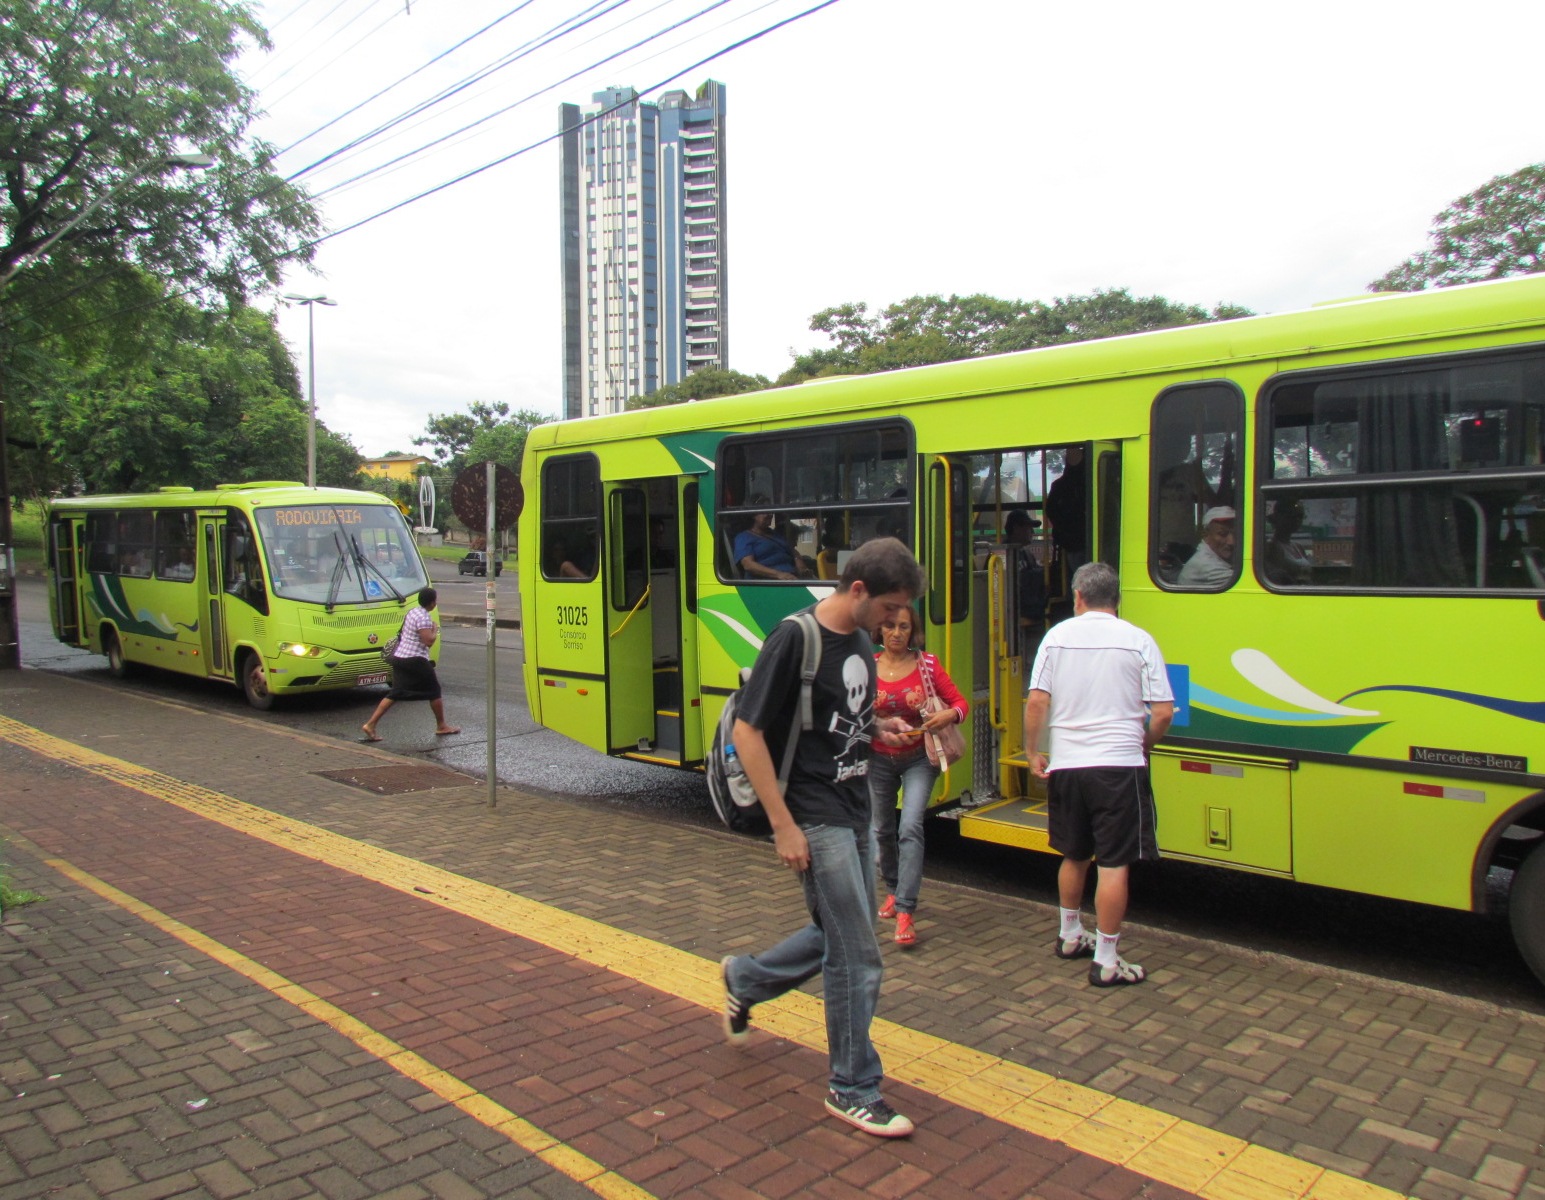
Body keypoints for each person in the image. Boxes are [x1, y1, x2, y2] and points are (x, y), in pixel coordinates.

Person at [720, 537, 926, 1138]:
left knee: (837, 930)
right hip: (814, 814)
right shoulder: (796, 637)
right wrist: (784, 825)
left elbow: (843, 718)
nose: (897, 624)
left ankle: (746, 980)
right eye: (890, 609)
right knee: (858, 954)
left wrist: (878, 727)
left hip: (854, 805)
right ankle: (852, 1086)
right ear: (857, 590)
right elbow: (748, 731)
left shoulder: (860, 638)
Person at [1024, 562, 1174, 987]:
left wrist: (1035, 752)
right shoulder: (1138, 640)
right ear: (1117, 599)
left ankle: (1070, 934)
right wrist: (1143, 743)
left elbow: (1036, 702)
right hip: (1118, 767)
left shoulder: (1057, 637)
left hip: (1068, 764)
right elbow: (1162, 712)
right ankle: (1106, 959)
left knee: (1074, 854)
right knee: (1113, 863)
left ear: (1078, 597)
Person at [868, 603, 968, 948]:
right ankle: (893, 890)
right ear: (880, 630)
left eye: (904, 627)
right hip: (878, 760)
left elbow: (960, 704)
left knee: (910, 826)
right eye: (890, 626)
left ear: (914, 632)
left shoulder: (928, 665)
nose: (897, 633)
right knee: (882, 829)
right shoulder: (867, 665)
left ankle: (907, 910)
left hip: (919, 759)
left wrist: (949, 716)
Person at [361, 588, 460, 741]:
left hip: (400, 657)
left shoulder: (412, 612)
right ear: (432, 602)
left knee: (395, 692)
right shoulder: (424, 617)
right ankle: (441, 726)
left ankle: (370, 724)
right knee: (435, 690)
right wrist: (434, 630)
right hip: (415, 659)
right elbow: (428, 641)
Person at [1004, 509, 1048, 662]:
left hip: (1030, 604)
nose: (1032, 532)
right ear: (1016, 528)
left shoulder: (1026, 553)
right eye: (1028, 528)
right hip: (1015, 607)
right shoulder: (1003, 554)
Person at [734, 499, 811, 580]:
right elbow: (748, 565)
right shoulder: (743, 537)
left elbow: (792, 551)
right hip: (768, 583)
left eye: (771, 511)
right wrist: (779, 574)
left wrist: (800, 565)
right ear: (753, 515)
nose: (770, 514)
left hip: (792, 578)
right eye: (765, 511)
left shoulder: (775, 535)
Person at [1044, 446, 1088, 572]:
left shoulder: (1059, 485)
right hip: (1073, 543)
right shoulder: (1088, 482)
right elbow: (1051, 511)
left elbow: (1051, 511)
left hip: (1070, 542)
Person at [1177, 506, 1237, 587]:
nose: (1231, 542)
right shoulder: (1207, 567)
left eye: (1236, 534)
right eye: (1222, 534)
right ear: (1205, 534)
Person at [1263, 500, 1311, 585]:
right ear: (1279, 518)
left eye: (1300, 516)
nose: (1297, 520)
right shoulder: (1271, 547)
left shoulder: (1298, 547)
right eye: (1291, 516)